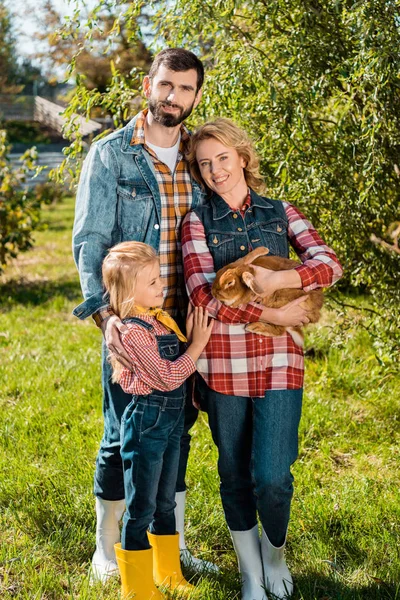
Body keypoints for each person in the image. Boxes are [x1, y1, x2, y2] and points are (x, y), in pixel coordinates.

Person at [181, 118, 343, 600]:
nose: (215, 171)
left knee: (272, 476)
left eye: (223, 159)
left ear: (243, 158)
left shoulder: (279, 212)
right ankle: (251, 575)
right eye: (205, 164)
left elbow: (329, 264)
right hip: (224, 365)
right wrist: (268, 306)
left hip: (279, 361)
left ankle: (275, 557)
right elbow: (202, 295)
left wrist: (280, 283)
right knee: (234, 473)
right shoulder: (197, 221)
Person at [72, 48, 218, 581]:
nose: (172, 97)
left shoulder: (200, 160)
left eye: (184, 89)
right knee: (122, 435)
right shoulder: (112, 155)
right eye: (165, 85)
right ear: (148, 85)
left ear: (196, 95)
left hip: (184, 324)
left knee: (175, 434)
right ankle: (106, 548)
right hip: (132, 326)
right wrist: (105, 319)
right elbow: (90, 243)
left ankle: (167, 549)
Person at [100, 241, 213, 599]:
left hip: (171, 423)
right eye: (151, 282)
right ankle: (136, 587)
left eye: (159, 277)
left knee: (166, 501)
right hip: (147, 423)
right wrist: (196, 346)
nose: (161, 285)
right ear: (128, 293)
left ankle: (167, 574)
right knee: (141, 507)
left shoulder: (160, 322)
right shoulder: (134, 332)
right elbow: (165, 377)